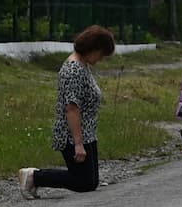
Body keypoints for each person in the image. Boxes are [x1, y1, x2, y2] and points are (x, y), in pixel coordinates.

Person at [18, 26, 113, 197]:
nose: (101, 59)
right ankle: (34, 176)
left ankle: (36, 178)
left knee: (90, 182)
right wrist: (78, 143)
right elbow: (71, 107)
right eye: (101, 54)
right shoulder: (73, 70)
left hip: (87, 133)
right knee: (83, 182)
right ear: (93, 48)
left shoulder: (83, 66)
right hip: (73, 135)